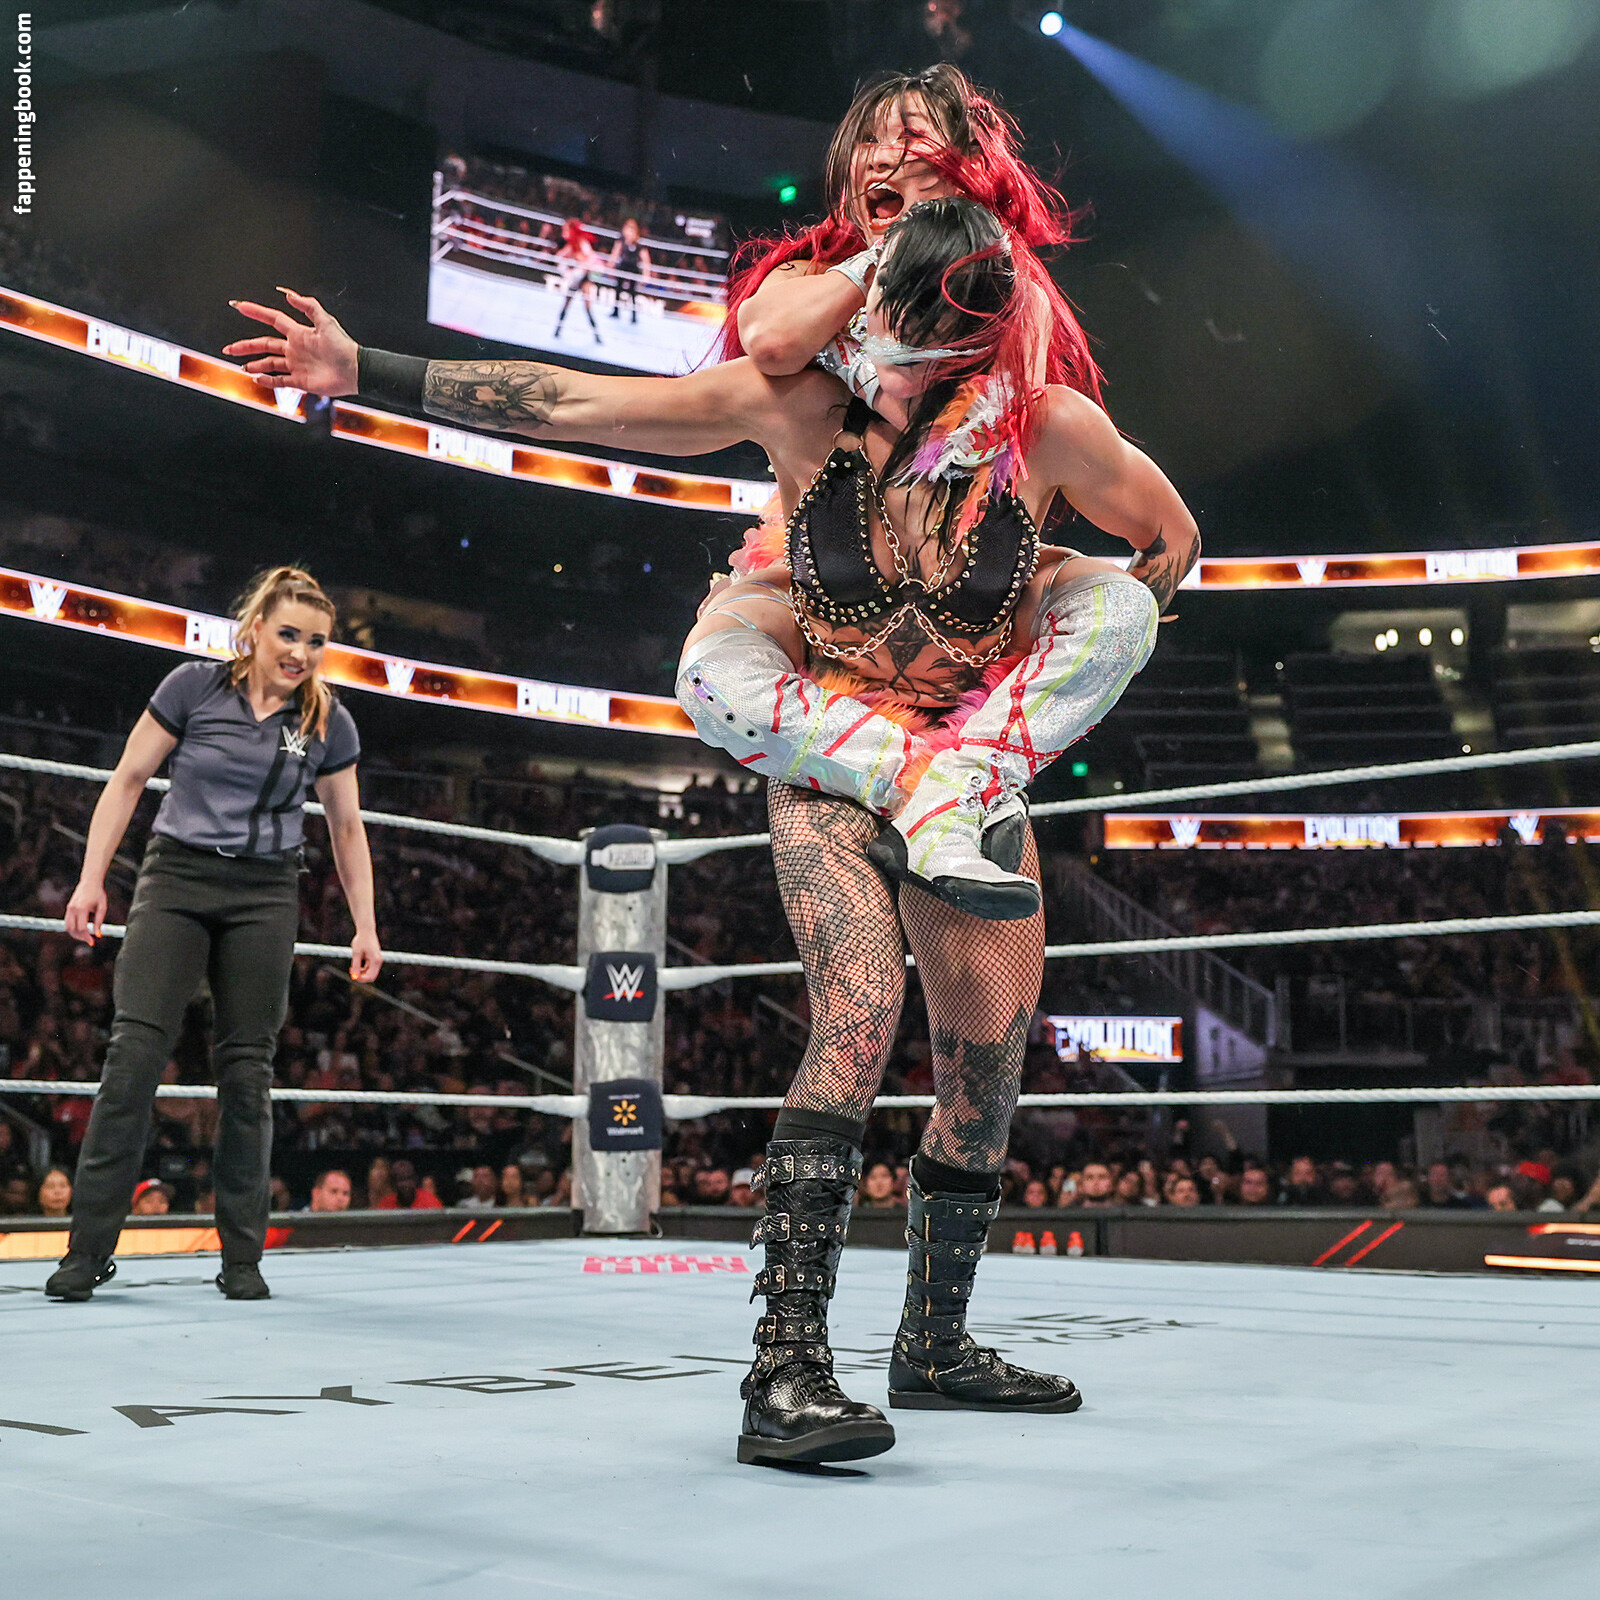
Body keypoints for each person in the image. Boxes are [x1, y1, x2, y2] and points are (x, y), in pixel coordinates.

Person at [223, 193, 1197, 1468]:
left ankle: (934, 1344)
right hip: (836, 757)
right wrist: (369, 371)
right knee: (857, 1013)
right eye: (896, 348)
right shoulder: (798, 408)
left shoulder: (1045, 429)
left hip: (972, 765)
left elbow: (1170, 541)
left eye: (939, 360)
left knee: (985, 1072)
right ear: (869, 320)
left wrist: (1043, 646)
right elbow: (583, 403)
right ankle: (784, 1368)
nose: (909, 384)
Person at [44, 567, 382, 1304]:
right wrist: (91, 879)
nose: (300, 653)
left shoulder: (329, 720)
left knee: (247, 1074)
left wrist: (366, 924)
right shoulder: (192, 687)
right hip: (177, 878)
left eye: (315, 642)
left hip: (265, 891)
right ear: (255, 628)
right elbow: (128, 778)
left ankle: (242, 1259)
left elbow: (347, 827)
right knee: (133, 1060)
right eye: (288, 634)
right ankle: (87, 1252)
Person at [552, 218, 603, 345]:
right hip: (576, 277)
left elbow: (590, 260)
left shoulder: (582, 244)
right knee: (566, 303)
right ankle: (557, 330)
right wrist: (567, 270)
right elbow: (559, 257)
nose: (564, 232)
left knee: (587, 306)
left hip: (585, 277)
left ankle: (597, 335)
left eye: (566, 229)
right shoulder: (572, 245)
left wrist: (579, 264)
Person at [607, 218, 652, 324]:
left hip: (633, 268)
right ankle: (616, 311)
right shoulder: (621, 240)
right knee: (618, 288)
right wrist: (610, 266)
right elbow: (615, 253)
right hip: (623, 266)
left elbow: (646, 259)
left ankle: (634, 315)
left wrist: (646, 274)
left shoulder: (638, 243)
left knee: (633, 292)